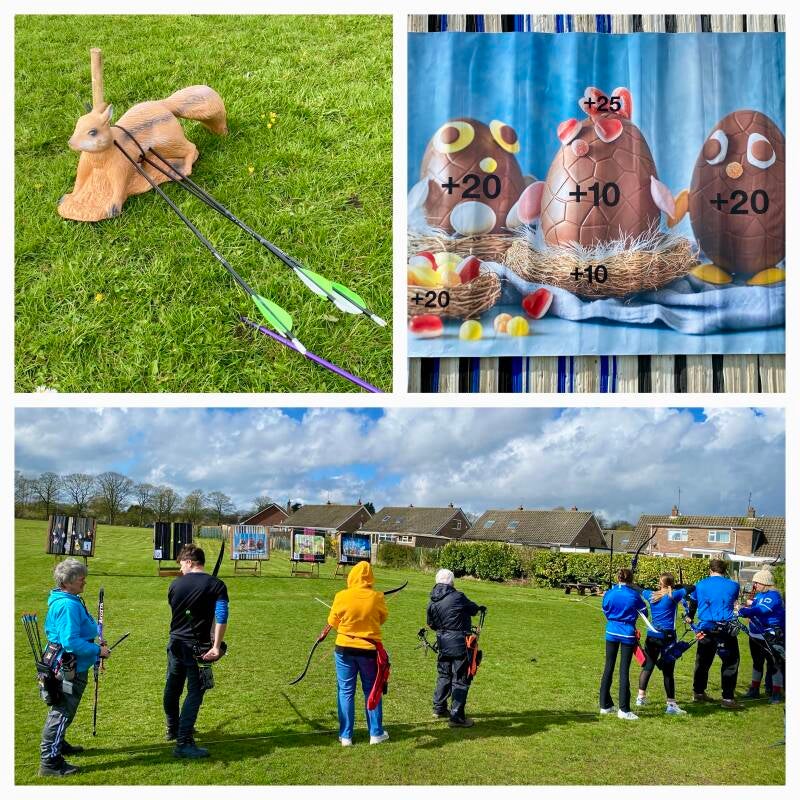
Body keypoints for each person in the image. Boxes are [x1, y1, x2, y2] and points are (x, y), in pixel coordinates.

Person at [39, 558, 111, 777]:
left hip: (68, 664)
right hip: (67, 667)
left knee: (64, 710)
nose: (84, 583)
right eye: (81, 580)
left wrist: (93, 641)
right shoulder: (68, 604)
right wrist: (97, 651)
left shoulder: (68, 598)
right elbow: (69, 642)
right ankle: (49, 762)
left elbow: (76, 634)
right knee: (61, 712)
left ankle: (58, 744)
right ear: (68, 582)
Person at [164, 544, 229, 758]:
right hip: (198, 648)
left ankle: (173, 728)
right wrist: (216, 646)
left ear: (190, 562)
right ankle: (183, 741)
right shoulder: (216, 585)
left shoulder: (175, 585)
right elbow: (221, 617)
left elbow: (193, 614)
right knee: (195, 691)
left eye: (182, 563)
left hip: (176, 643)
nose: (180, 568)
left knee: (173, 687)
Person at [327, 560, 390, 746]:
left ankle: (346, 736)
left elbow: (333, 621)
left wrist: (348, 626)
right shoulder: (377, 597)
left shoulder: (341, 596)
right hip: (368, 651)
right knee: (372, 689)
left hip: (345, 649)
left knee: (346, 691)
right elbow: (382, 618)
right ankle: (375, 733)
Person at [426, 568, 485, 728]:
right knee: (460, 679)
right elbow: (473, 609)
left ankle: (439, 708)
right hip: (459, 643)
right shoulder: (458, 596)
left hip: (442, 642)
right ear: (451, 582)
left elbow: (431, 623)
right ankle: (456, 717)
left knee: (444, 674)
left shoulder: (432, 599)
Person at [687, 559, 741, 709]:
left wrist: (690, 616)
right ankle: (728, 699)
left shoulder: (700, 584)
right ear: (724, 571)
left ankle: (698, 693)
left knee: (703, 662)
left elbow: (693, 603)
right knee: (730, 662)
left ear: (710, 570)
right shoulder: (734, 585)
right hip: (726, 628)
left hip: (706, 628)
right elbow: (732, 601)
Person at [636, 573, 688, 715]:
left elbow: (638, 589)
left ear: (660, 583)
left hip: (652, 635)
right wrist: (678, 587)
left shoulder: (651, 595)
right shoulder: (674, 595)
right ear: (671, 584)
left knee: (648, 665)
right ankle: (671, 704)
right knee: (668, 671)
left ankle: (640, 697)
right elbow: (693, 588)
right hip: (668, 637)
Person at [599, 567, 646, 720]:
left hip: (611, 632)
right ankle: (624, 710)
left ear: (618, 578)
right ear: (630, 580)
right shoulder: (634, 595)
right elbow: (644, 612)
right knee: (624, 670)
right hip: (626, 633)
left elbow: (605, 610)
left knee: (608, 667)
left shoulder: (610, 593)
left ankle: (604, 705)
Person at [738, 569, 785, 704]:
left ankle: (776, 692)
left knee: (774, 663)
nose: (755, 585)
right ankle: (754, 689)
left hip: (769, 635)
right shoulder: (759, 596)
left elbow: (762, 610)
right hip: (755, 634)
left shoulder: (774, 595)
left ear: (765, 583)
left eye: (757, 583)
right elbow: (754, 606)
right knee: (757, 662)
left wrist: (747, 611)